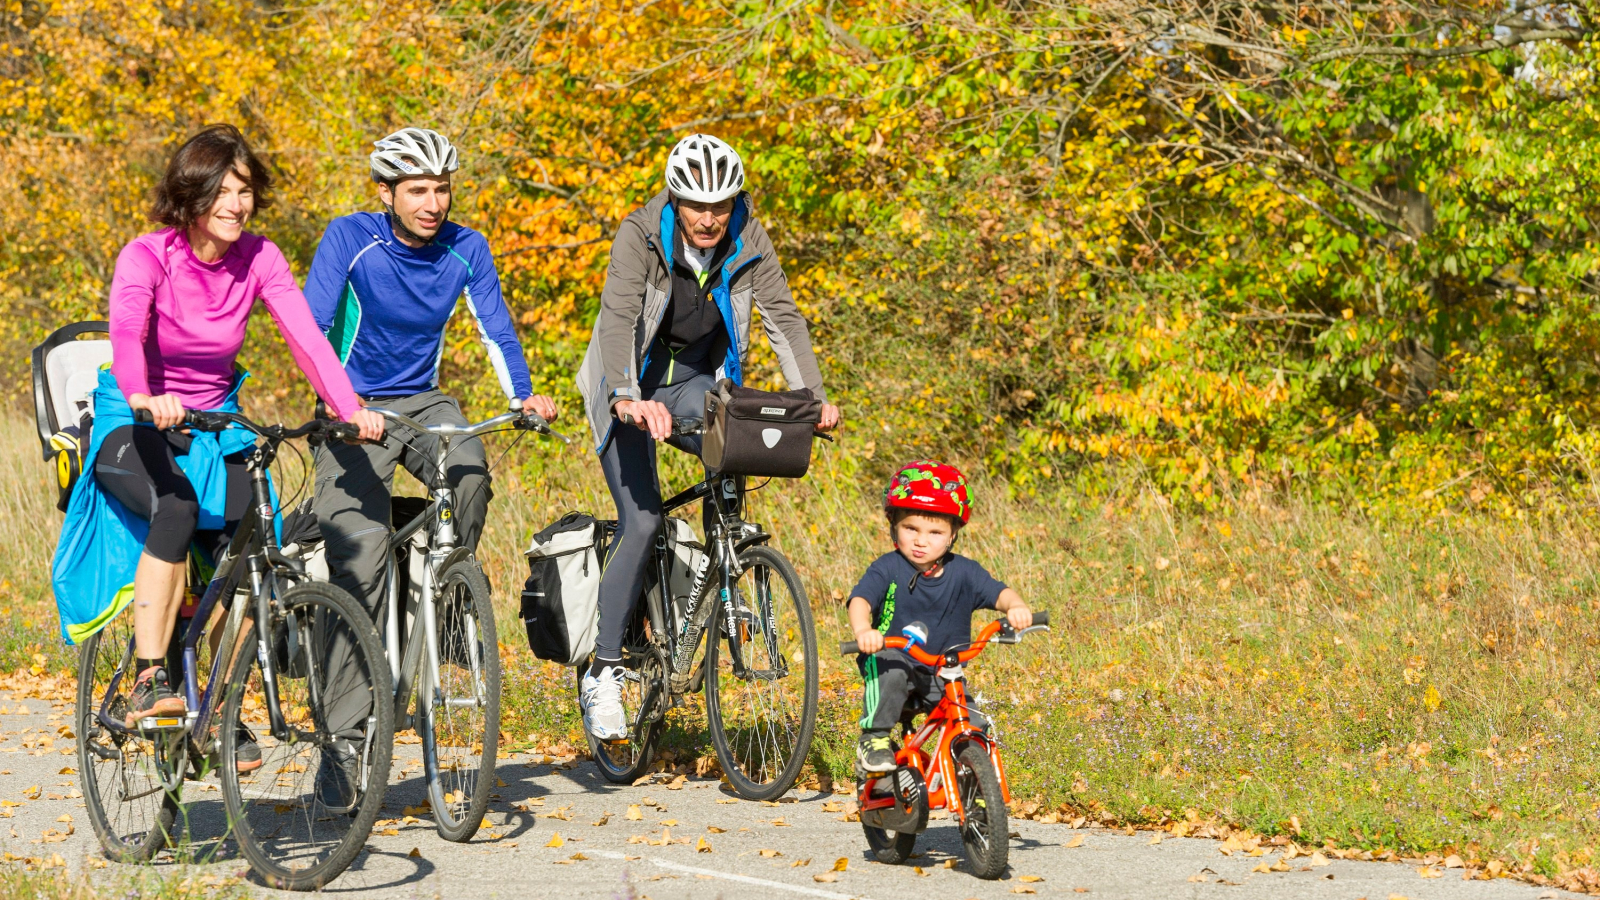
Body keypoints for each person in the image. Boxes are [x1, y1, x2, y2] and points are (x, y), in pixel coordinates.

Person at [51, 124, 383, 772]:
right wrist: (146, 396)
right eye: (223, 190)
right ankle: (150, 678)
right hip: (134, 422)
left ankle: (217, 708)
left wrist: (350, 409)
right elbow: (125, 332)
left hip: (213, 424)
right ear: (191, 194)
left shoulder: (259, 258)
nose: (237, 203)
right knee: (173, 508)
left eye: (245, 190)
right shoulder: (148, 256)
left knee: (258, 536)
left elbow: (307, 340)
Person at [303, 127, 556, 792]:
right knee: (358, 566)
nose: (433, 201)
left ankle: (443, 601)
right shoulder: (350, 240)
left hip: (424, 401)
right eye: (418, 189)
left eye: (442, 188)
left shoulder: (465, 248)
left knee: (469, 473)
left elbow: (496, 328)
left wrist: (523, 397)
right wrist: (338, 404)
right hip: (351, 404)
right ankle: (344, 744)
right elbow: (310, 330)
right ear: (385, 192)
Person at [575, 133, 840, 740]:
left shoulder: (749, 239)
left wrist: (814, 399)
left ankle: (720, 567)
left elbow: (784, 320)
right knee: (641, 520)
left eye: (721, 204)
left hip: (691, 382)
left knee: (740, 441)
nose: (709, 217)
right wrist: (625, 397)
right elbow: (617, 320)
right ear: (675, 198)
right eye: (697, 204)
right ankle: (606, 670)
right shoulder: (638, 236)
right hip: (625, 382)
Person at [847, 461, 1033, 773]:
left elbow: (1000, 593)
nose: (921, 540)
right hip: (893, 659)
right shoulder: (887, 567)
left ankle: (974, 785)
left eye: (935, 532)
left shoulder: (966, 573)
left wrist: (1016, 606)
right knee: (889, 672)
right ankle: (874, 739)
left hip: (943, 670)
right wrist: (864, 629)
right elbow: (860, 600)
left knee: (972, 723)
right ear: (894, 526)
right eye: (911, 529)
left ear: (953, 534)